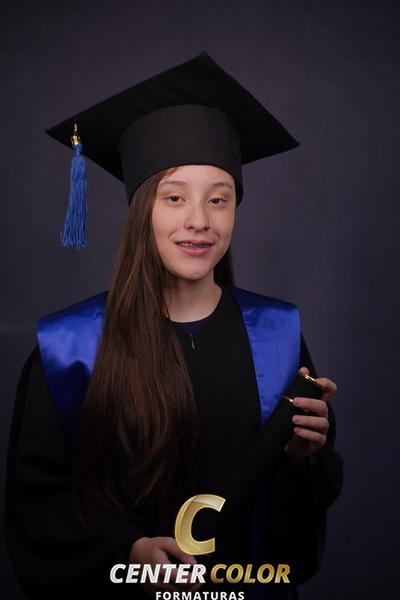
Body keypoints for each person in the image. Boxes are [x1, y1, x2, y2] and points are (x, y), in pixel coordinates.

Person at [3, 52, 343, 600]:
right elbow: (37, 506)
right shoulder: (70, 348)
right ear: (143, 210)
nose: (199, 220)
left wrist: (303, 456)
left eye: (219, 199)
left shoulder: (278, 335)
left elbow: (303, 511)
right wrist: (127, 552)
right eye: (175, 197)